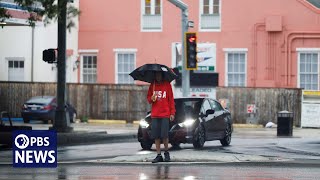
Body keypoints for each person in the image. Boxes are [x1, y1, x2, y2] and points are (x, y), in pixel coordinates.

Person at [147, 71, 175, 163]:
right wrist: (152, 98)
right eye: (156, 75)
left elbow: (171, 100)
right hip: (155, 114)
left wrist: (172, 113)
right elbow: (148, 99)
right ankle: (159, 155)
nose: (158, 76)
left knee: (165, 135)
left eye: (159, 75)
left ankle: (166, 153)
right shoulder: (153, 85)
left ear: (162, 75)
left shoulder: (167, 85)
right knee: (156, 136)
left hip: (165, 114)